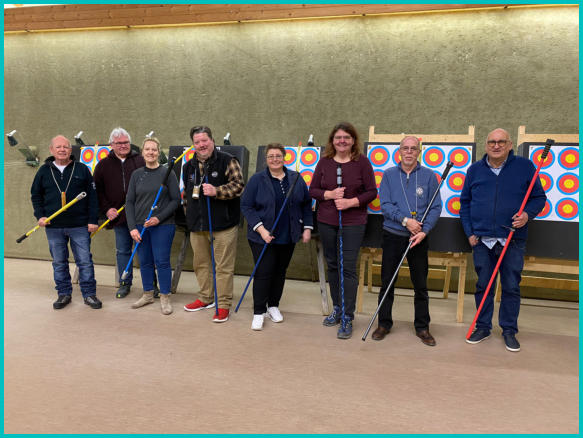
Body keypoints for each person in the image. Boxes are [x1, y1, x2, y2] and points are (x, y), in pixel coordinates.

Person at [460, 128, 546, 352]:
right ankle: (483, 327)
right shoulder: (475, 170)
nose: (496, 146)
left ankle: (509, 330)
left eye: (501, 142)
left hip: (512, 240)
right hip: (482, 240)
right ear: (486, 145)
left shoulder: (525, 167)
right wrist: (470, 232)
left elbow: (539, 198)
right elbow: (465, 203)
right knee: (483, 285)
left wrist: (527, 214)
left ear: (510, 145)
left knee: (511, 286)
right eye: (492, 142)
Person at [309, 122, 377, 339]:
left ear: (353, 140)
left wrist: (351, 202)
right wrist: (329, 195)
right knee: (332, 265)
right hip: (327, 221)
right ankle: (337, 308)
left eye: (347, 137)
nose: (342, 141)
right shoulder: (324, 162)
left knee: (347, 267)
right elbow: (313, 190)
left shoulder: (362, 162)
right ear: (332, 140)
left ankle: (348, 315)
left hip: (353, 222)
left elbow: (372, 192)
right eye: (338, 137)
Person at [373, 136, 442, 346]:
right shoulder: (388, 175)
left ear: (419, 152)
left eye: (413, 148)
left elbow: (435, 207)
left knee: (420, 284)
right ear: (400, 151)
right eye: (405, 148)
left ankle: (422, 327)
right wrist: (406, 221)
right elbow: (385, 204)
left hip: (418, 239)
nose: (409, 152)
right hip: (393, 235)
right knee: (387, 282)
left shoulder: (429, 176)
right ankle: (384, 323)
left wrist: (424, 231)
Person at [241, 143, 313, 330]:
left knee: (280, 272)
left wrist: (307, 227)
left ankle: (273, 306)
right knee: (263, 272)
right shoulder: (257, 179)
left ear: (284, 157)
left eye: (278, 156)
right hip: (262, 236)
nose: (275, 159)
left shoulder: (296, 178)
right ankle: (259, 311)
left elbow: (306, 204)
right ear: (266, 159)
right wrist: (262, 230)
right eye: (271, 156)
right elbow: (246, 206)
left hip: (288, 235)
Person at [30, 135, 102, 310]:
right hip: (53, 226)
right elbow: (36, 196)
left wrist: (93, 220)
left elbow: (93, 197)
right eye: (58, 147)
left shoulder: (82, 169)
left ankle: (89, 294)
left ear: (70, 150)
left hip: (79, 225)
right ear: (51, 150)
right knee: (59, 262)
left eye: (65, 147)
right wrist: (40, 216)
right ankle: (64, 294)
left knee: (84, 261)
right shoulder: (43, 171)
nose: (62, 150)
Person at [182, 125, 245, 323]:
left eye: (204, 140)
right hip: (198, 226)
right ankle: (205, 298)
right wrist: (190, 218)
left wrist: (217, 191)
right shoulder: (188, 166)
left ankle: (223, 304)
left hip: (223, 225)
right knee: (200, 264)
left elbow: (239, 186)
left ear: (212, 140)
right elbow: (186, 197)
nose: (201, 145)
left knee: (223, 267)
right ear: (193, 144)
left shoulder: (228, 160)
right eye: (197, 142)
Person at [125, 137, 180, 315]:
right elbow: (129, 202)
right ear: (142, 152)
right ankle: (148, 294)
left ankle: (165, 296)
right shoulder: (136, 175)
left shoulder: (167, 173)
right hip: (140, 226)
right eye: (147, 149)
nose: (151, 152)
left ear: (158, 152)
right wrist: (132, 227)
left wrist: (159, 218)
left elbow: (176, 200)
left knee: (162, 261)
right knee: (145, 261)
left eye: (154, 149)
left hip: (163, 226)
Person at [93, 127, 146, 299]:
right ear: (111, 145)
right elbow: (98, 191)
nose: (123, 145)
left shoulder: (141, 160)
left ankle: (151, 284)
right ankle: (125, 283)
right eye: (119, 143)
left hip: (140, 215)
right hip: (119, 217)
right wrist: (107, 209)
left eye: (126, 142)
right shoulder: (103, 165)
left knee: (145, 250)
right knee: (123, 251)